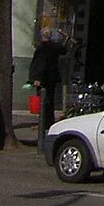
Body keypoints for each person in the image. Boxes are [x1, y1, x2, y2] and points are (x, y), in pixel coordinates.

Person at [29, 30, 69, 161]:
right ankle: (48, 122)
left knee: (43, 103)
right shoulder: (54, 47)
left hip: (43, 79)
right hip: (52, 79)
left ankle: (44, 124)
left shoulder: (42, 49)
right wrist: (66, 39)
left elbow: (38, 65)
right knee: (49, 103)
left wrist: (35, 78)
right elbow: (64, 50)